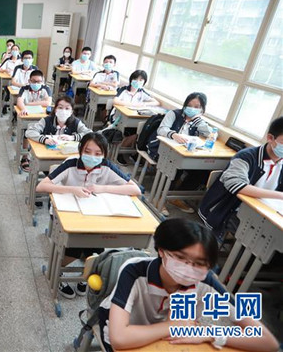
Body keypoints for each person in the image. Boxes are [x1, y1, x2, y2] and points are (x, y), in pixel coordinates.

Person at [99, 218, 278, 352]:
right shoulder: (134, 271)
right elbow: (119, 338)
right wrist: (173, 325)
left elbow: (267, 342)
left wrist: (211, 335)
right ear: (161, 250)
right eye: (180, 257)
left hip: (167, 341)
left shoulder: (206, 283)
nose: (188, 268)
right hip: (126, 336)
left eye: (199, 263)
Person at [36, 132, 141, 298]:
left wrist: (102, 188)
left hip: (95, 215)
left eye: (98, 153)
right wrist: (72, 189)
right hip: (67, 213)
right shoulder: (71, 164)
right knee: (75, 248)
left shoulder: (106, 166)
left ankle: (85, 274)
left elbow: (135, 189)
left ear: (104, 154)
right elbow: (41, 186)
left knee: (96, 246)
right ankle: (57, 272)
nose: (92, 157)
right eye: (87, 151)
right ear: (80, 150)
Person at [200, 117, 283, 240]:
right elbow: (237, 186)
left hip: (262, 212)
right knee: (264, 239)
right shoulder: (246, 156)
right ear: (270, 138)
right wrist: (280, 195)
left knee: (271, 238)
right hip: (228, 210)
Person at [25, 96, 92, 145]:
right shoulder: (46, 121)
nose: (63, 111)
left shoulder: (76, 122)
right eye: (60, 107)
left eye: (67, 108)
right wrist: (44, 140)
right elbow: (29, 132)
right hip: (47, 153)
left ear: (71, 112)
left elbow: (89, 134)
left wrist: (72, 137)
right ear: (55, 109)